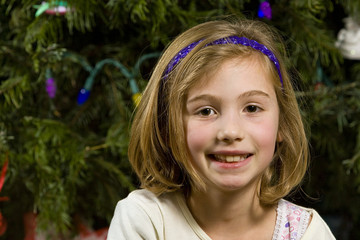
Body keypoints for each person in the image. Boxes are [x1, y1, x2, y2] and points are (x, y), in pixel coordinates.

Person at [107, 17, 336, 240]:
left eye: (252, 108)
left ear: (282, 125)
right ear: (167, 129)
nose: (230, 132)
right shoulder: (145, 219)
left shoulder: (306, 232)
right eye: (206, 111)